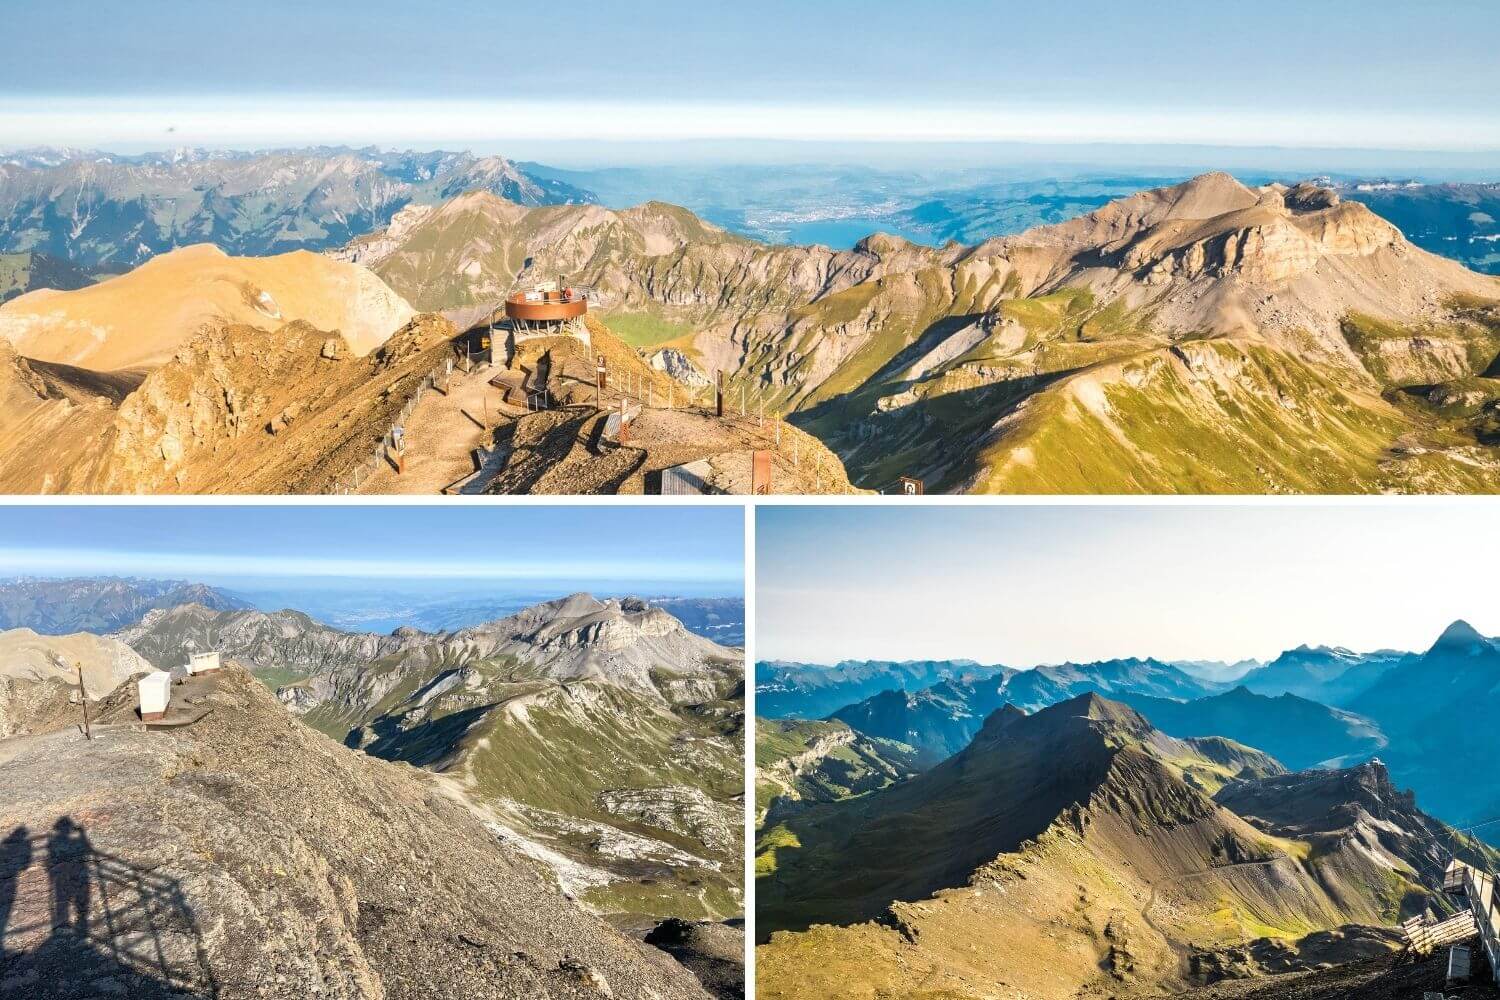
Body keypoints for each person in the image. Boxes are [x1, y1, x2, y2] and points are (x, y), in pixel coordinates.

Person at [48, 817, 91, 936]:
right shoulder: (56, 841)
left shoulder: (53, 841)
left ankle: (67, 923)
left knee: (63, 898)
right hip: (71, 871)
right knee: (75, 895)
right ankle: (78, 921)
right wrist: (82, 834)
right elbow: (88, 850)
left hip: (63, 873)